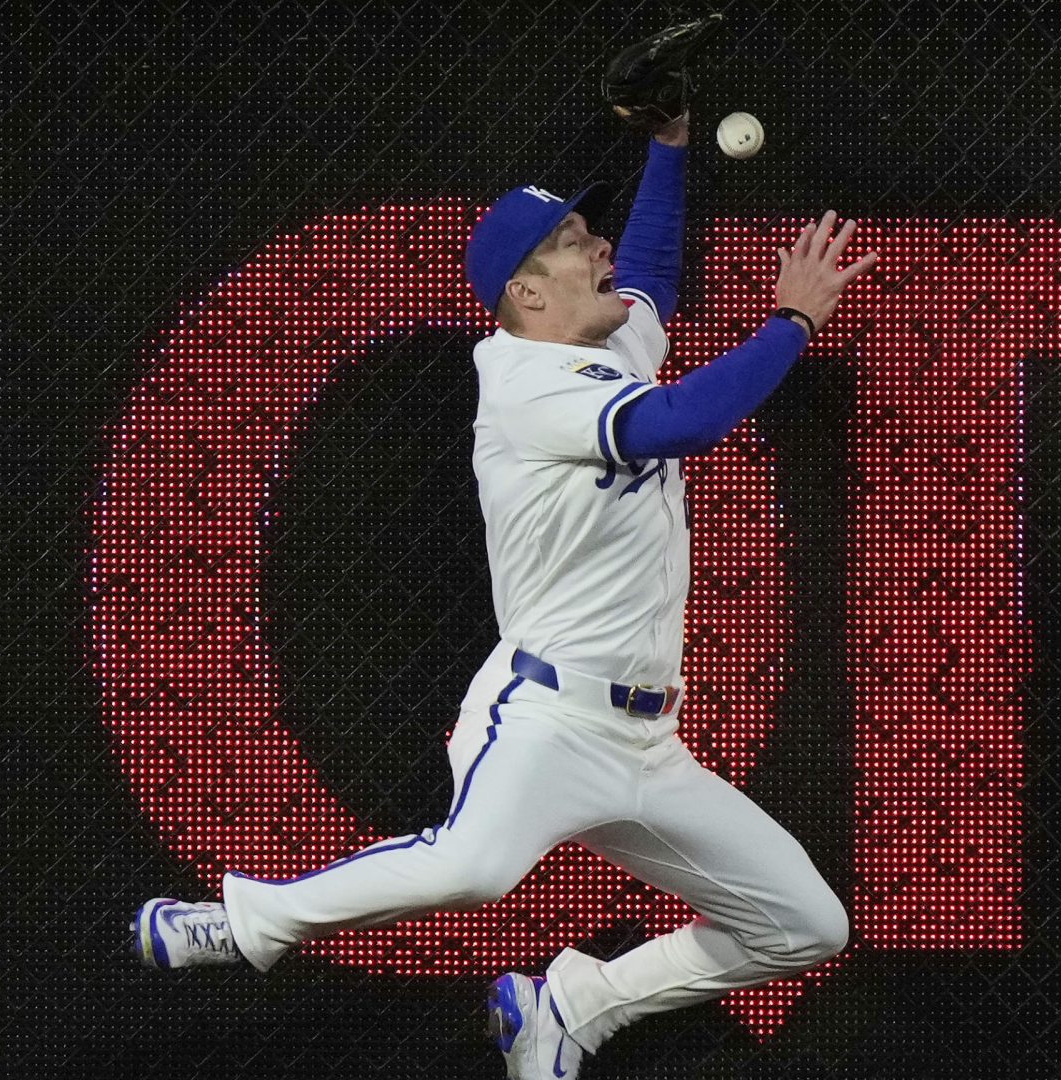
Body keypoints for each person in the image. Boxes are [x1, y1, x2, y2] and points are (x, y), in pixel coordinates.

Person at [131, 111, 878, 1080]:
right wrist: (793, 321)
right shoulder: (526, 383)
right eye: (573, 242)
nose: (600, 249)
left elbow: (651, 271)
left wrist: (668, 145)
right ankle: (242, 921)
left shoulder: (604, 350)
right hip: (549, 719)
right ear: (525, 292)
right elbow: (686, 422)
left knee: (806, 926)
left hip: (649, 742)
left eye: (591, 234)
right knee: (473, 868)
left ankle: (571, 1008)